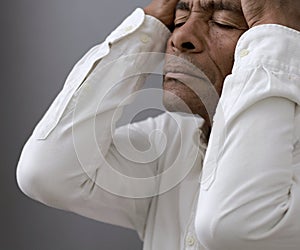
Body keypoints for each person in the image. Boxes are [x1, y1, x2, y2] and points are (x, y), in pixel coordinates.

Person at [16, 0, 300, 249]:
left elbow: (234, 226)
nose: (180, 37)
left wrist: (275, 29)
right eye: (178, 19)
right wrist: (151, 21)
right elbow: (45, 174)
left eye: (223, 22)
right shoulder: (169, 141)